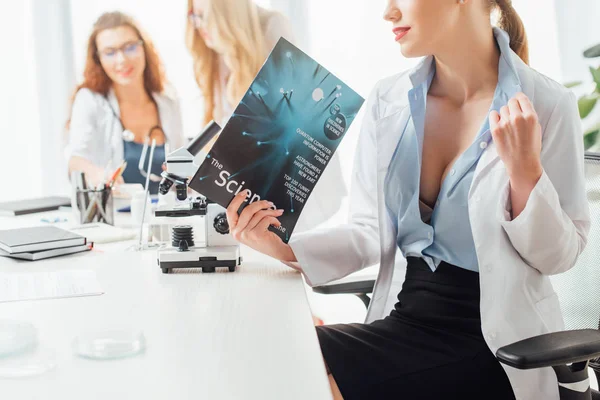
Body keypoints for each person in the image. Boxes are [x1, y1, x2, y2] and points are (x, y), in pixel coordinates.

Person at [224, 0, 591, 399]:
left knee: (313, 381)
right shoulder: (390, 99)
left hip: (495, 345)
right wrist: (284, 246)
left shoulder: (546, 104)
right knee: (276, 353)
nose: (389, 12)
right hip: (405, 321)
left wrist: (525, 173)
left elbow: (558, 257)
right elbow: (368, 231)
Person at [187, 0, 347, 232]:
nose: (199, 27)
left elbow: (296, 115)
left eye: (206, 16)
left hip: (292, 180)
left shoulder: (271, 26)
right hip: (252, 190)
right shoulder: (213, 54)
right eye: (195, 16)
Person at [66, 11, 184, 193]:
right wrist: (96, 173)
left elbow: (181, 165)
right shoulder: (90, 100)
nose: (121, 60)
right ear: (99, 59)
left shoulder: (167, 102)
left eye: (130, 47)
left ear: (144, 47)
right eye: (109, 52)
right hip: (116, 215)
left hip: (165, 215)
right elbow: (75, 160)